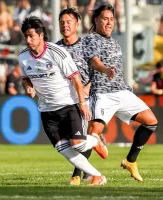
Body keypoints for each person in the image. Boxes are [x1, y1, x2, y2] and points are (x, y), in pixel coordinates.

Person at [19, 16, 107, 186]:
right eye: (26, 36)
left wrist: (82, 104)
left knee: (78, 145)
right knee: (64, 149)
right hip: (46, 110)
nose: (28, 40)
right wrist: (28, 86)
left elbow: (76, 80)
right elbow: (25, 78)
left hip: (68, 105)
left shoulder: (56, 52)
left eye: (31, 36)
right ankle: (97, 176)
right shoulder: (23, 57)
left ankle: (95, 141)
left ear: (41, 35)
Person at [82, 4, 158, 182]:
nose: (109, 22)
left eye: (111, 19)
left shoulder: (114, 41)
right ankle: (81, 175)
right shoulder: (91, 39)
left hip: (122, 92)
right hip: (102, 93)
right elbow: (94, 62)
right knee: (94, 134)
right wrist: (105, 69)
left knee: (151, 121)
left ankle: (130, 161)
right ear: (96, 20)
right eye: (104, 18)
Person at [56, 7, 108, 186]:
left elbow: (99, 72)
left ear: (77, 24)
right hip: (64, 100)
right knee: (70, 141)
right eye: (62, 22)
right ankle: (95, 141)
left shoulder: (86, 46)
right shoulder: (55, 49)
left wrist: (86, 88)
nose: (65, 25)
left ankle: (77, 175)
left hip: (85, 98)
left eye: (69, 22)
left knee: (77, 138)